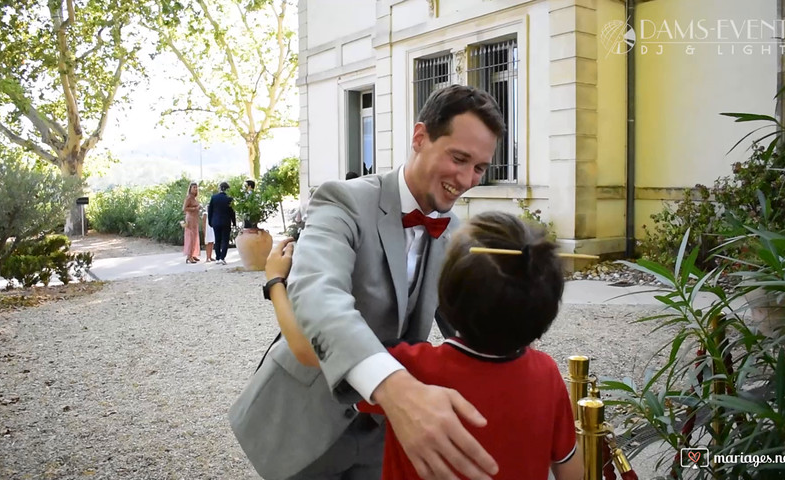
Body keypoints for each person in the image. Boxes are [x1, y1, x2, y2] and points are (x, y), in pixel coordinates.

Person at [229, 84, 506, 480]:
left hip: (384, 432)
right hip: (305, 418)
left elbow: (469, 329)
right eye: (459, 158)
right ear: (420, 137)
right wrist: (394, 388)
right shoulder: (342, 200)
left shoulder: (456, 232)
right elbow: (318, 297)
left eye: (479, 167)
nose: (466, 179)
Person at [264, 212, 583, 480]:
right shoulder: (547, 373)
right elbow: (570, 468)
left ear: (446, 295)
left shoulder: (409, 369)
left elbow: (307, 347)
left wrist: (275, 282)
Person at [208, 182, 237, 265]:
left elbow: (210, 210)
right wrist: (234, 223)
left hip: (215, 222)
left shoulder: (214, 197)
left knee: (217, 240)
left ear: (220, 188)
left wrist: (210, 221)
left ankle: (217, 257)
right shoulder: (229, 199)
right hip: (226, 222)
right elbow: (232, 212)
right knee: (225, 240)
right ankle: (222, 257)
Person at [183, 182, 201, 264]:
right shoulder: (189, 198)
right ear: (190, 189)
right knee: (190, 237)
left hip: (195, 219)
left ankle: (193, 254)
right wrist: (195, 208)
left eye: (196, 187)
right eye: (194, 187)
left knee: (195, 236)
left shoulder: (194, 198)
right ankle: (189, 256)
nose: (195, 189)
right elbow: (184, 208)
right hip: (190, 218)